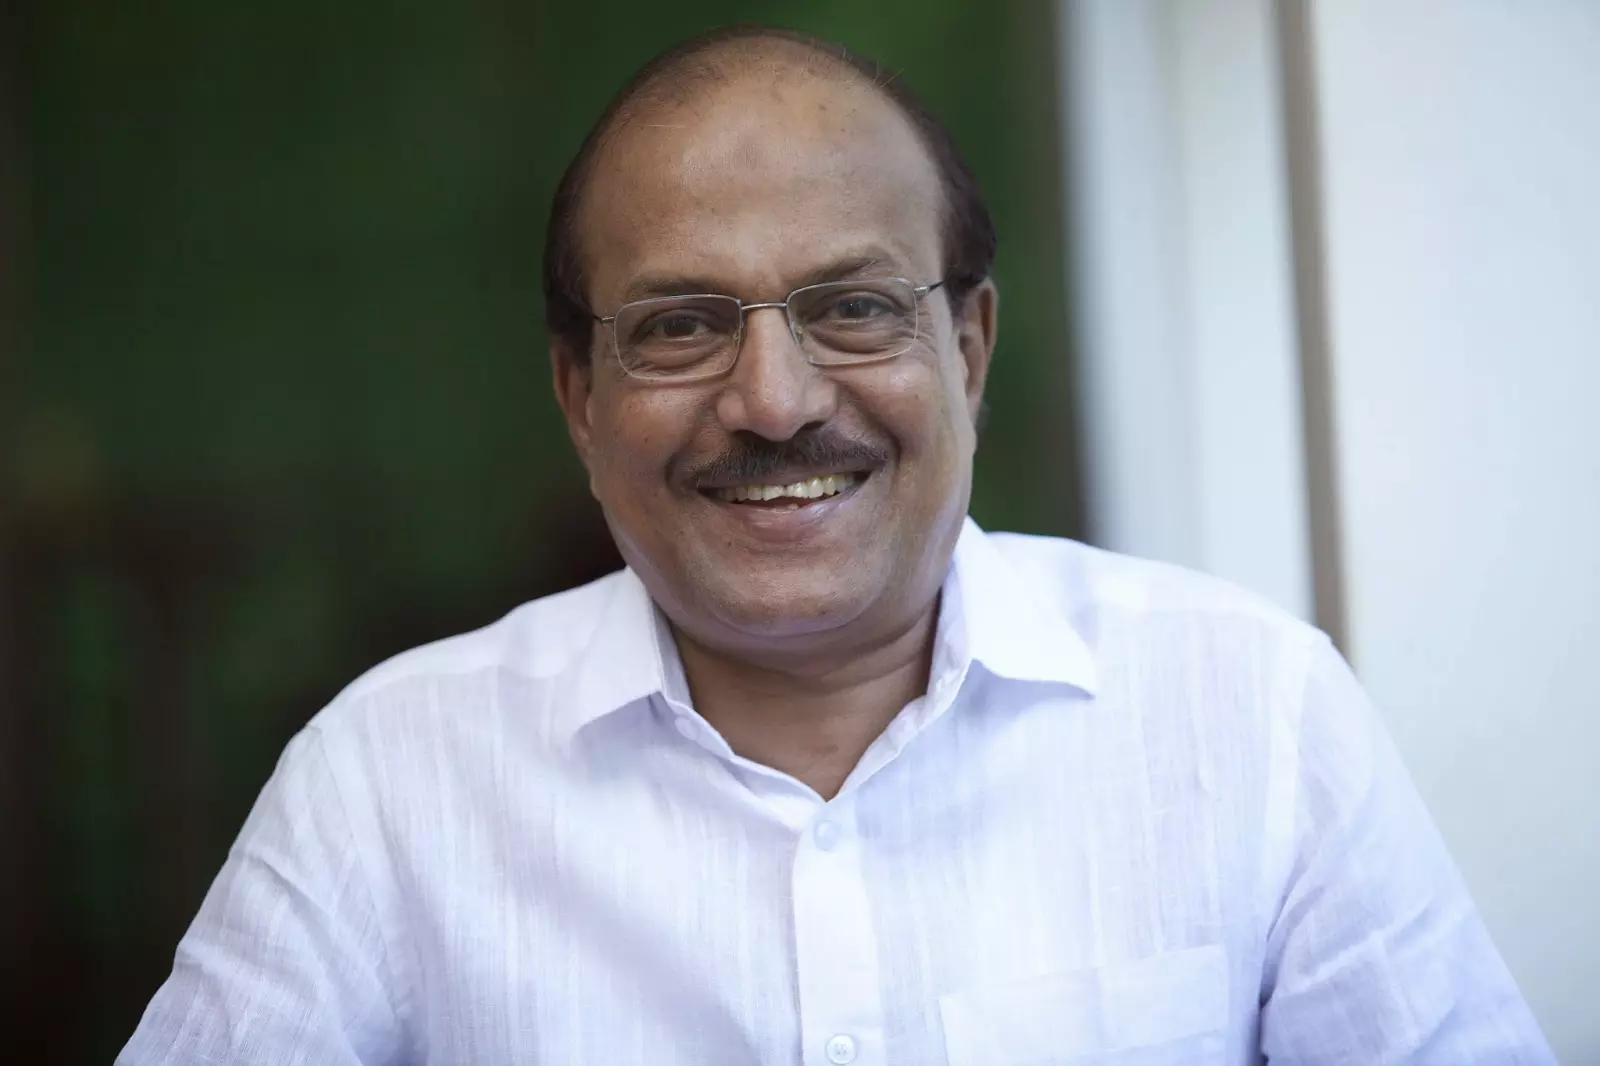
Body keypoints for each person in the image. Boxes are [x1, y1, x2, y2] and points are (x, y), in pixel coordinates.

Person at [119, 25, 1553, 1066]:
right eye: (682, 325)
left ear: (969, 351)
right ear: (578, 397)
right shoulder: (388, 782)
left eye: (854, 308)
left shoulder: (1248, 712)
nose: (775, 399)